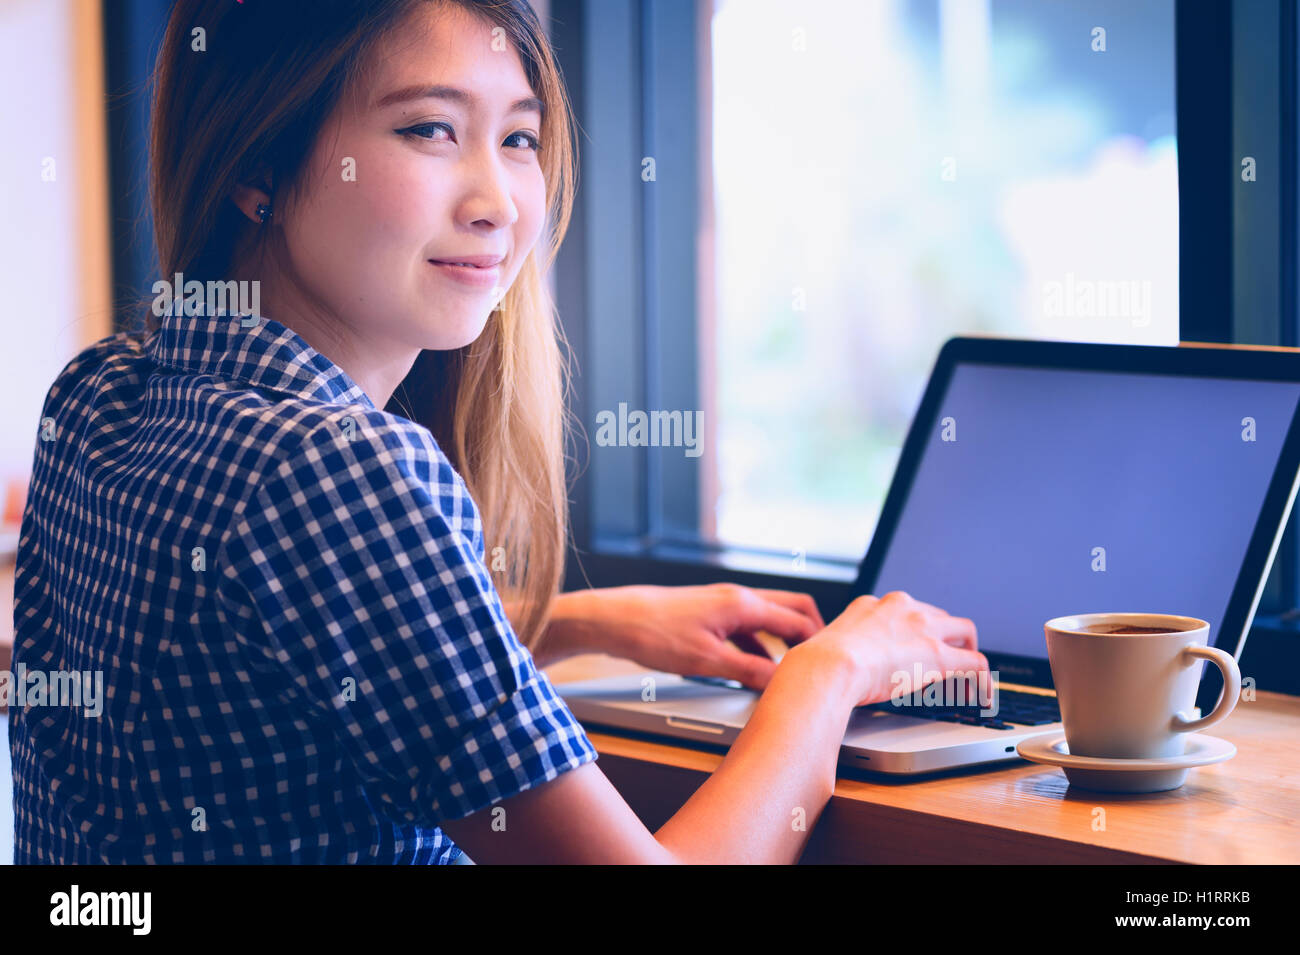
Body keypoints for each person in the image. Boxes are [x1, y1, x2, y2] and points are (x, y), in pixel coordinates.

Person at [10, 0, 987, 864]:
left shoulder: (103, 391)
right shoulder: (344, 470)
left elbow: (253, 660)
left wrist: (580, 620)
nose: (497, 203)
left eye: (518, 139)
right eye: (431, 130)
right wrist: (829, 675)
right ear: (256, 164)